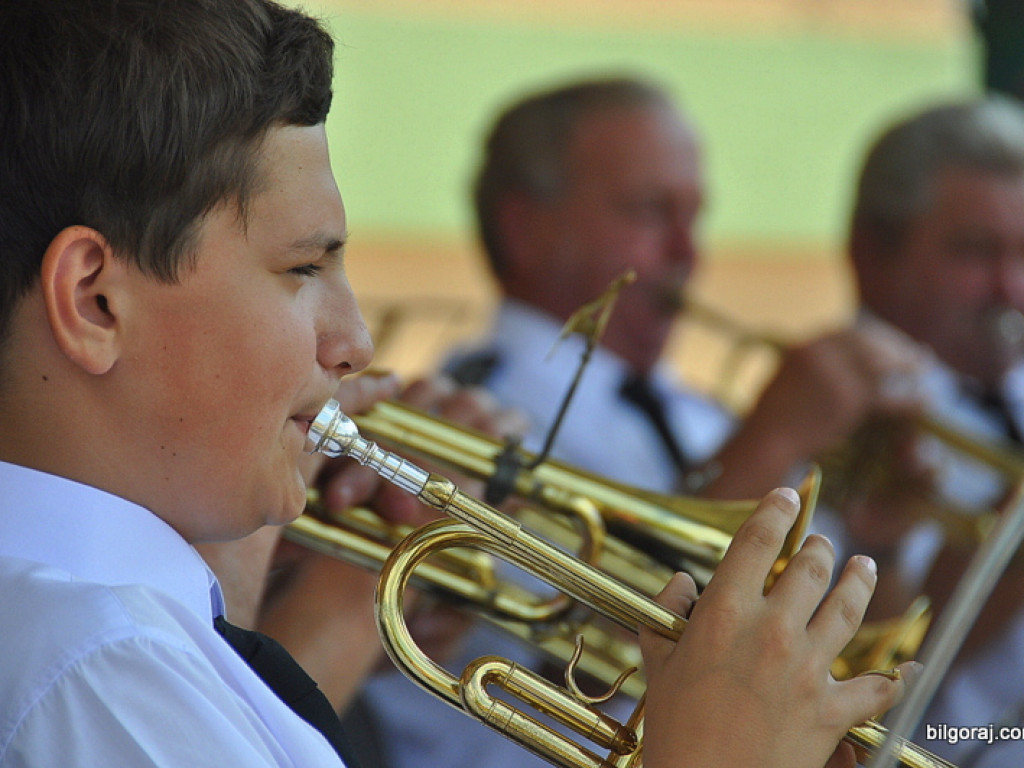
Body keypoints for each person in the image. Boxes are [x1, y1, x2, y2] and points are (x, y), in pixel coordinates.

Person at [0, 3, 910, 766]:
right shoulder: (103, 662)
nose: (355, 341)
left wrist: (240, 558)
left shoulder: (121, 637)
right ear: (95, 301)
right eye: (303, 268)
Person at [357, 76, 927, 768]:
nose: (689, 249)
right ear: (523, 225)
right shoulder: (469, 418)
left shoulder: (697, 414)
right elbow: (587, 657)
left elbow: (849, 635)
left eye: (695, 214)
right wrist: (767, 443)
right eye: (650, 211)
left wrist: (883, 540)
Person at [837, 95, 1024, 767]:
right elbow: (862, 677)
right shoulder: (829, 420)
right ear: (870, 253)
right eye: (977, 253)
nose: (1011, 289)